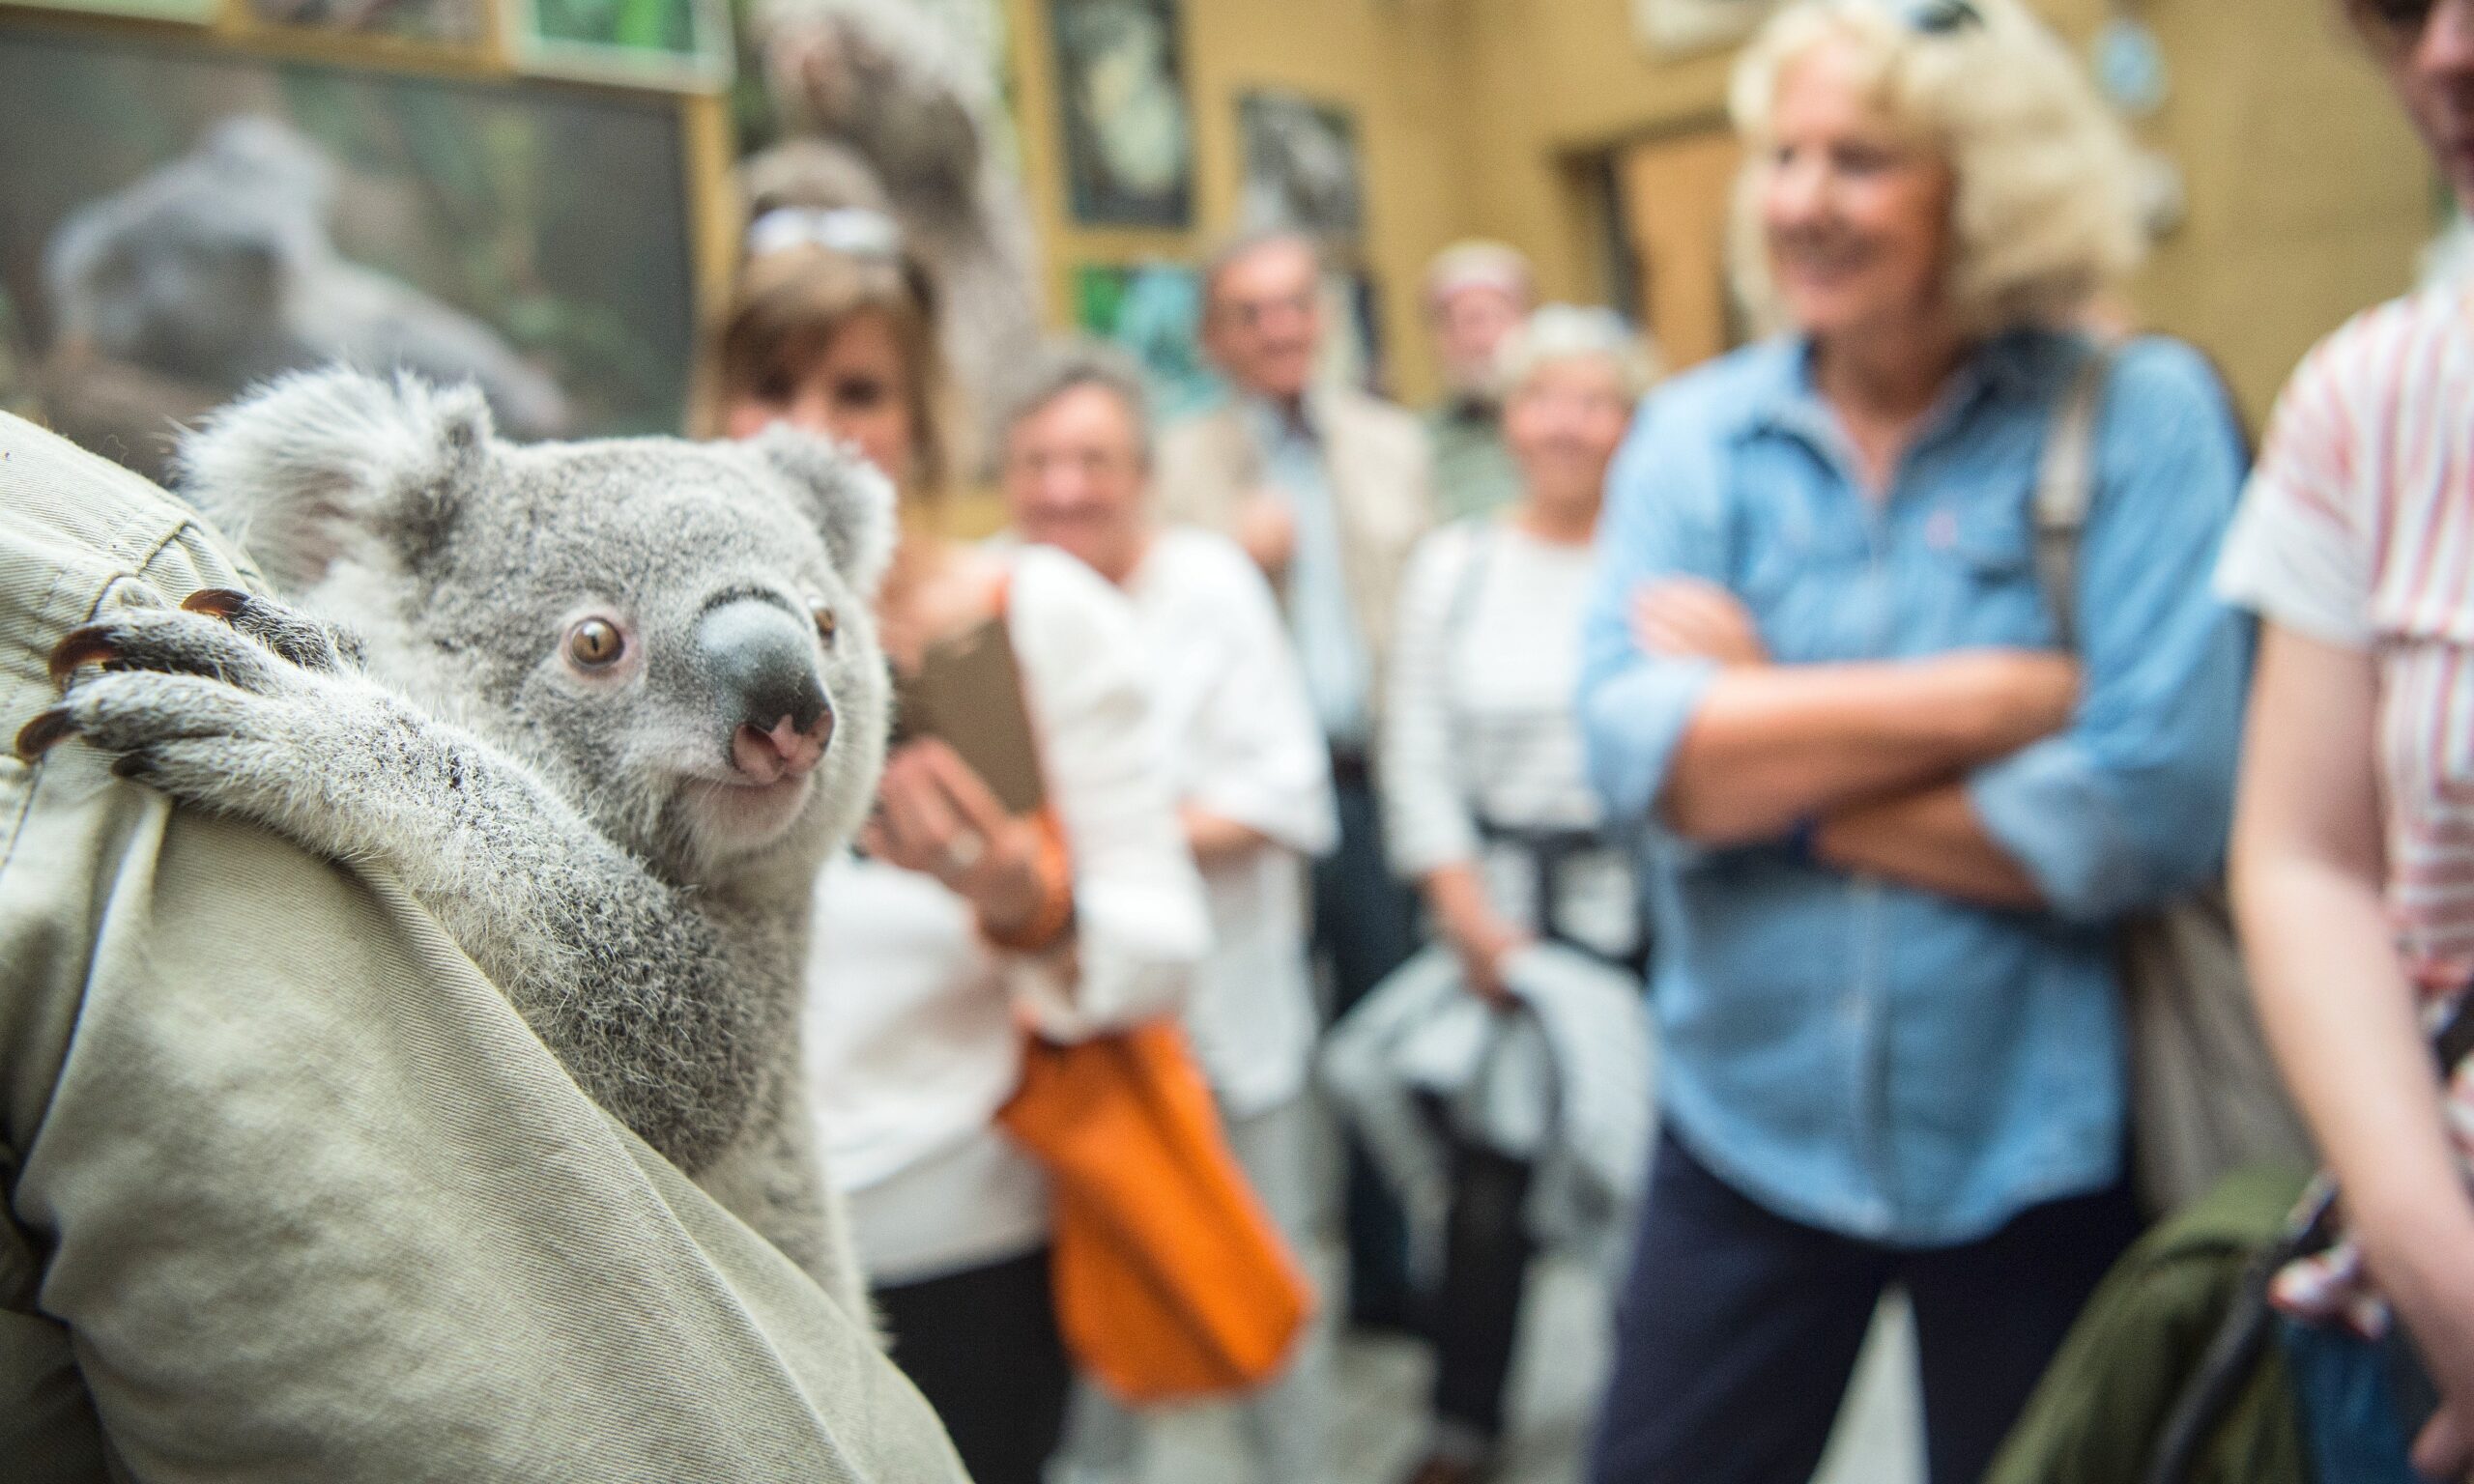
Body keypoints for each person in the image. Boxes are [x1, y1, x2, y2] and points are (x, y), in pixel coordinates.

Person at [0, 413, 968, 1483]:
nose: (794, 715)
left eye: (823, 629)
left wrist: (394, 771)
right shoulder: (383, 641)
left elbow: (679, 1074)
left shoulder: (752, 898)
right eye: (596, 647)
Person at [1575, 2, 2251, 1480]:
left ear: (1987, 185)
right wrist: (1997, 700)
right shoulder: (1695, 438)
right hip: (1740, 1123)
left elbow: (2148, 804)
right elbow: (1636, 750)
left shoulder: (2138, 420)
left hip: (2040, 1140)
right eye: (1785, 153)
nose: (1804, 199)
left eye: (1863, 158)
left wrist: (1777, 762)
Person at [710, 211, 1210, 1484]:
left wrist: (1018, 895)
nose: (807, 426)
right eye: (771, 385)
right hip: (731, 1251)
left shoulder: (1039, 620)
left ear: (922, 417)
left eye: (859, 389)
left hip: (962, 1238)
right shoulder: (665, 650)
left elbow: (1163, 947)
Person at [998, 339, 1339, 1484]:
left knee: (1264, 1286)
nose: (1063, 488)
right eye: (1038, 461)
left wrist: (1100, 847)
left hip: (1228, 1018)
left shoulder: (1207, 585)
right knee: (1097, 1312)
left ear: (1140, 472)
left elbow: (1284, 792)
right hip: (1077, 1036)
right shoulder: (993, 598)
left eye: (1092, 459)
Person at [2220, 3, 2474, 1479]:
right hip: (2416, 1340)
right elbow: (2305, 858)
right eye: (2399, 5)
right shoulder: (2374, 401)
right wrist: (2446, 1282)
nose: (2444, 52)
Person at [1383, 304, 1654, 1484]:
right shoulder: (1457, 566)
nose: (1567, 424)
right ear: (1509, 414)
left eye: (1596, 400)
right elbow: (1416, 749)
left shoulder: (1659, 565)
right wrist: (1466, 913)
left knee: (1643, 1171)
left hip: (1644, 914)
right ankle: (1465, 1422)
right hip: (1496, 908)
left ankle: (1653, 1412)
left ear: (1629, 424)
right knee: (1487, 1188)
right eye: (1546, 397)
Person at [1156, 225, 1433, 1329]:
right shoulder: (1177, 467)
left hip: (1365, 788)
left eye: (1294, 305)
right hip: (1237, 809)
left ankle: (1382, 1273)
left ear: (1322, 317)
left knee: (1377, 1033)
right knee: (1248, 1044)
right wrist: (1239, 561)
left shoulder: (1388, 444)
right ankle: (1239, 1286)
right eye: (1250, 312)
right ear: (1215, 338)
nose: (1278, 329)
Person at [1421, 241, 1535, 521]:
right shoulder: (1416, 442)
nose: (1479, 340)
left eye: (1492, 318)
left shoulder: (1569, 428)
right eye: (1462, 324)